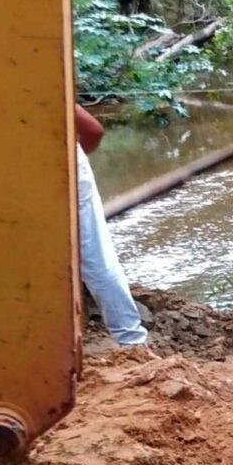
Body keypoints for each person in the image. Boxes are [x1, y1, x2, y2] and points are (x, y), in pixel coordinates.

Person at [73, 103, 148, 347]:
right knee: (96, 258)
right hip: (64, 170)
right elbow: (93, 131)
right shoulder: (43, 85)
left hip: (5, 178)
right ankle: (132, 341)